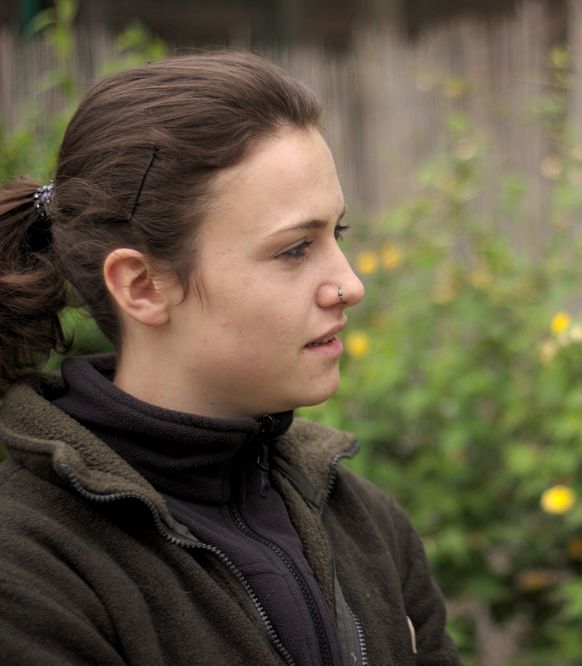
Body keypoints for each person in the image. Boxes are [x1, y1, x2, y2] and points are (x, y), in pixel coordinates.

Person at [0, 51, 460, 665]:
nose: (349, 285)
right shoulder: (29, 569)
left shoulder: (369, 527)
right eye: (295, 250)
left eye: (336, 236)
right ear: (142, 286)